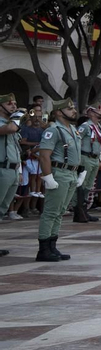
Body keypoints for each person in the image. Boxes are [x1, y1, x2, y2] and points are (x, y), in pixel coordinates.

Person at [35, 100, 83, 261]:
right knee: (51, 212)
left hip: (71, 173)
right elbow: (44, 155)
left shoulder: (73, 129)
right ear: (57, 113)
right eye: (69, 109)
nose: (73, 111)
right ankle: (43, 249)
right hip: (59, 172)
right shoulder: (53, 130)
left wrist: (80, 171)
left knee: (61, 212)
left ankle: (52, 245)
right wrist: (48, 177)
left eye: (73, 108)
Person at [0, 95, 23, 257]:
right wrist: (17, 116)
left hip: (13, 169)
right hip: (2, 169)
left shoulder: (12, 123)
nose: (13, 106)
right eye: (9, 104)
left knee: (2, 210)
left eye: (15, 103)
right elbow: (10, 129)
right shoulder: (8, 124)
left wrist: (19, 171)